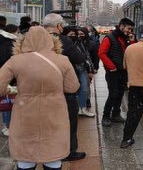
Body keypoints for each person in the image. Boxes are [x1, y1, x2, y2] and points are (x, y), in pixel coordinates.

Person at [0, 26, 80, 170]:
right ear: (51, 41)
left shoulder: (15, 60)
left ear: (25, 41)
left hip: (25, 113)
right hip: (54, 113)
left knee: (25, 158)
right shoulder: (62, 60)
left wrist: (13, 89)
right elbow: (72, 87)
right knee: (53, 157)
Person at [42, 13, 87, 161]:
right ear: (59, 26)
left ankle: (46, 149)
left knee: (45, 121)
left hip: (39, 87)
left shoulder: (34, 39)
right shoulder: (64, 40)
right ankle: (68, 152)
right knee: (68, 121)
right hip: (62, 88)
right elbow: (79, 58)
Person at [98, 18, 135, 127]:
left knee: (120, 93)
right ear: (121, 26)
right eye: (129, 28)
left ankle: (115, 114)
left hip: (123, 71)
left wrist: (132, 41)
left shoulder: (126, 38)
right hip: (113, 72)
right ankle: (106, 116)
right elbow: (101, 53)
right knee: (113, 93)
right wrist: (111, 66)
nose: (130, 31)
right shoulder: (109, 38)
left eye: (132, 29)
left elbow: (132, 51)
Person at [63, 26, 95, 117]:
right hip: (71, 69)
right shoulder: (64, 44)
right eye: (71, 34)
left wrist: (90, 69)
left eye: (74, 34)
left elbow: (86, 55)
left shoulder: (79, 42)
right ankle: (76, 109)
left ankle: (83, 108)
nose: (73, 36)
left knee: (84, 89)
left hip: (82, 68)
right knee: (74, 89)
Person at [0, 24, 18, 137]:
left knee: (5, 99)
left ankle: (6, 125)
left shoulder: (2, 41)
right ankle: (8, 125)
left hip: (3, 74)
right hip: (9, 75)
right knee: (8, 100)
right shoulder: (10, 43)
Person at [78, 27, 100, 108]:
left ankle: (87, 99)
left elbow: (96, 57)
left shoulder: (92, 44)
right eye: (79, 34)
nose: (80, 36)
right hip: (80, 67)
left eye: (82, 34)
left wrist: (95, 68)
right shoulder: (77, 43)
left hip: (88, 68)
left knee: (86, 85)